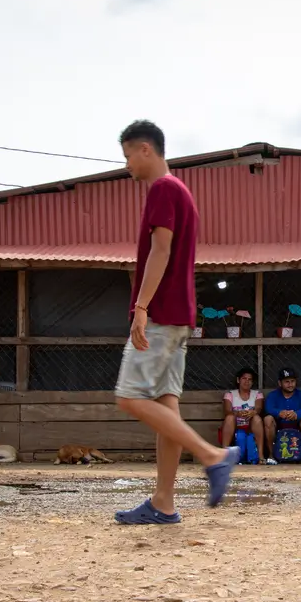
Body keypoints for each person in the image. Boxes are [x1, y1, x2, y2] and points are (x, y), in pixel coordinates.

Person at [112, 120, 240, 525]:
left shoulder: (163, 189)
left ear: (146, 149)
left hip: (163, 314)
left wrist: (141, 306)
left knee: (129, 398)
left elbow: (161, 250)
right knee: (167, 407)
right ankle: (163, 503)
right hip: (180, 315)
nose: (128, 165)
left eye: (129, 155)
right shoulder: (181, 191)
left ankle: (213, 456)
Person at [263, 367, 301, 461]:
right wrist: (279, 412)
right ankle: (271, 455)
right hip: (279, 425)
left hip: (297, 425)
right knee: (268, 419)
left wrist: (296, 414)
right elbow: (268, 409)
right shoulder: (273, 395)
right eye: (287, 382)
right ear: (280, 383)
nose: (290, 384)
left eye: (292, 381)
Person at [221, 367, 266, 464]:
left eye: (250, 379)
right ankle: (224, 455)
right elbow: (227, 411)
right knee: (229, 418)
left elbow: (258, 408)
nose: (247, 381)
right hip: (236, 425)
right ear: (238, 380)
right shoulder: (230, 394)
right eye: (244, 378)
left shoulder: (257, 394)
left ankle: (261, 456)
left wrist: (253, 412)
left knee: (257, 418)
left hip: (251, 426)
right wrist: (237, 413)